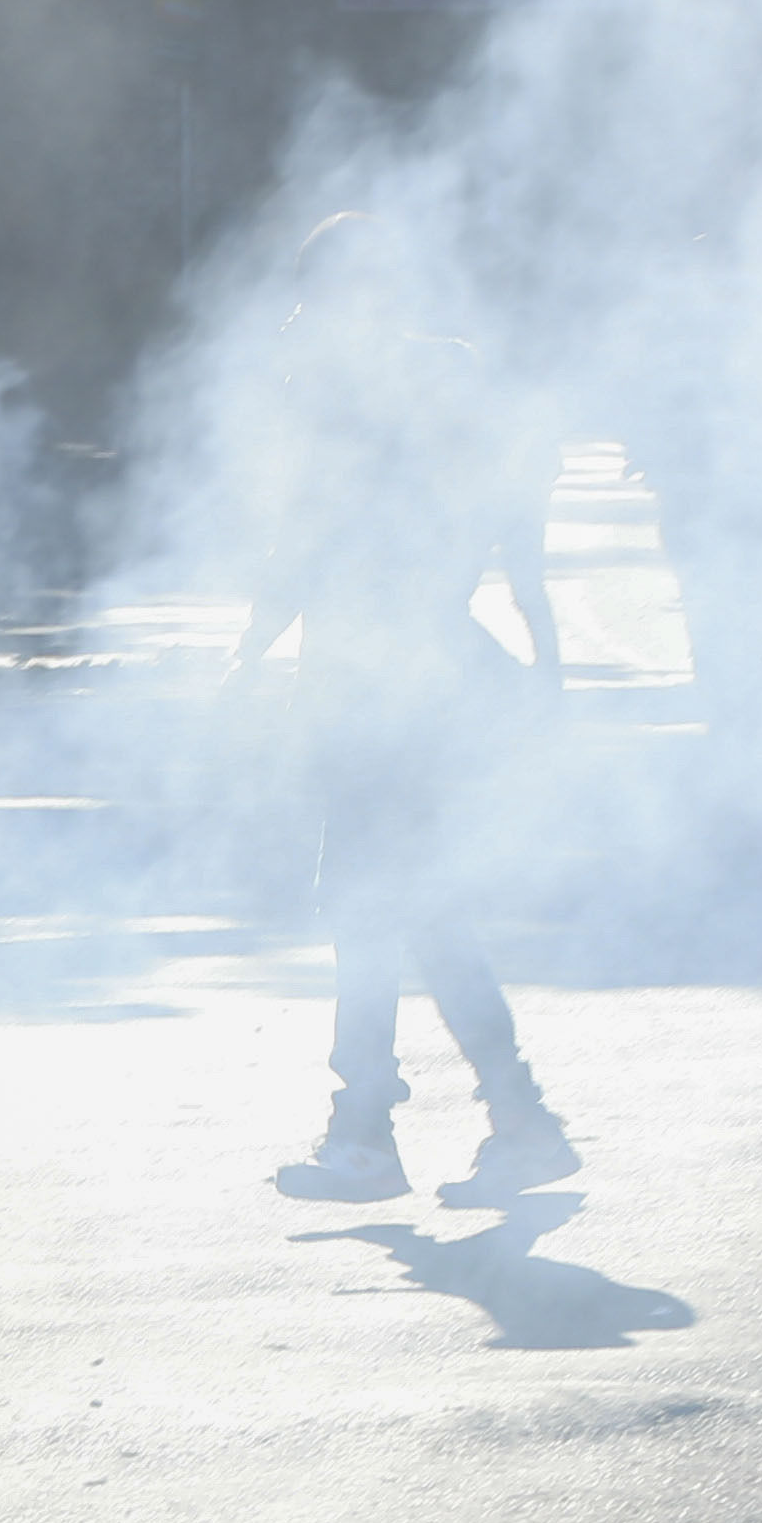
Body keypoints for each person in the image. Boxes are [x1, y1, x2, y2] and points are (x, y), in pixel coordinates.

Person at [230, 208, 570, 1209]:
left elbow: (304, 545)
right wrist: (549, 667)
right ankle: (491, 1120)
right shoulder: (453, 380)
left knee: (382, 905)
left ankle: (385, 1132)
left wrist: (247, 656)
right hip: (426, 670)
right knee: (401, 906)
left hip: (378, 682)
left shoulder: (342, 394)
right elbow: (516, 530)